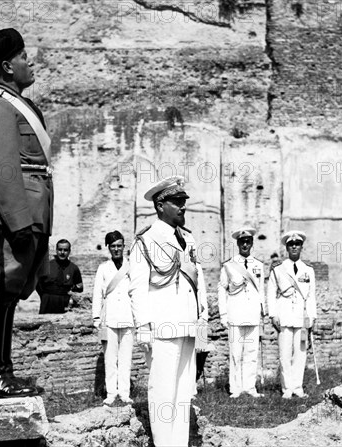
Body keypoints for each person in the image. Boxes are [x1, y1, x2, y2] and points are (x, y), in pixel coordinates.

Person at [0, 28, 52, 398]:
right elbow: (2, 167)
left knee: (11, 293)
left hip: (30, 212)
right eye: (22, 57)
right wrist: (20, 221)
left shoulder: (20, 105)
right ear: (6, 66)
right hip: (10, 214)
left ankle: (5, 371)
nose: (29, 62)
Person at [128, 176, 208, 447]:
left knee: (184, 391)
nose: (182, 207)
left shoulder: (189, 239)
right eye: (176, 202)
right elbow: (137, 289)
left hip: (187, 324)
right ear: (160, 205)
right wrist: (142, 327)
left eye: (183, 202)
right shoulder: (146, 241)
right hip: (162, 327)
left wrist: (202, 319)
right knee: (163, 390)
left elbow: (199, 282)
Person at [267, 230, 317, 399]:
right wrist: (273, 315)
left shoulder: (308, 269)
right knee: (285, 354)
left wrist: (312, 316)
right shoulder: (278, 269)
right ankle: (287, 388)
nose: (294, 247)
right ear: (286, 247)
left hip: (301, 316)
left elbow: (311, 295)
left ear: (301, 247)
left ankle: (298, 386)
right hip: (284, 315)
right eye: (291, 244)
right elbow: (271, 293)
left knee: (300, 353)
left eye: (297, 244)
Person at [218, 226, 265, 398]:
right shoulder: (229, 265)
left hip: (252, 314)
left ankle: (250, 387)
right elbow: (222, 289)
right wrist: (223, 314)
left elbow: (261, 290)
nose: (245, 244)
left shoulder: (259, 265)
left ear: (252, 243)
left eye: (248, 241)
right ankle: (235, 388)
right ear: (238, 243)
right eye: (242, 241)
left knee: (252, 353)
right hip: (235, 314)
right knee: (236, 353)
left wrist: (263, 311)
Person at [92, 231, 134, 405]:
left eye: (119, 246)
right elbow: (97, 294)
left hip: (128, 317)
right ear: (108, 248)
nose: (117, 249)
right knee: (110, 358)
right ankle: (111, 393)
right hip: (109, 319)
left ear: (124, 247)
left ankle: (124, 393)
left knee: (126, 358)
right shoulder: (103, 268)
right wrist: (96, 318)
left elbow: (136, 292)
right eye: (113, 246)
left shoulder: (132, 266)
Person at [37, 239, 83, 314]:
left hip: (64, 300)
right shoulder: (47, 265)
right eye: (60, 249)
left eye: (65, 250)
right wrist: (43, 296)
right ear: (56, 250)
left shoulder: (74, 268)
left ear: (69, 251)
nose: (62, 252)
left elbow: (80, 287)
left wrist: (72, 289)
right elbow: (38, 283)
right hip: (48, 300)